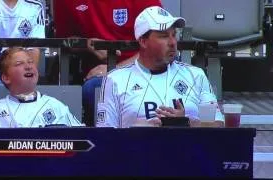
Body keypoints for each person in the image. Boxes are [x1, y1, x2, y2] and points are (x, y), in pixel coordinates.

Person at [96, 6, 224, 128]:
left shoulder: (195, 75)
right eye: (164, 36)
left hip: (187, 149)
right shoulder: (115, 80)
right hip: (138, 149)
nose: (173, 42)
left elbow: (219, 125)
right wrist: (133, 130)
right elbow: (103, 136)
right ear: (143, 41)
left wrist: (187, 122)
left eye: (174, 35)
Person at [53, 0, 162, 126]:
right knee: (94, 87)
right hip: (93, 76)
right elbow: (64, 39)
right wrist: (86, 44)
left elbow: (160, 45)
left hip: (144, 69)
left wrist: (114, 70)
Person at [0, 47, 83, 128]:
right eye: (19, 64)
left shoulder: (56, 106)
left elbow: (82, 136)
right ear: (6, 77)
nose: (28, 67)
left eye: (30, 62)